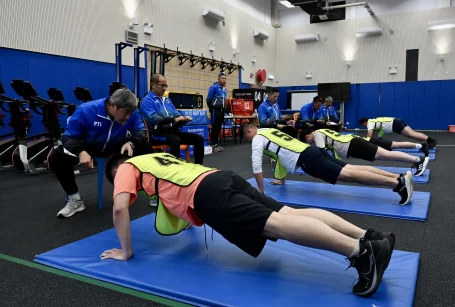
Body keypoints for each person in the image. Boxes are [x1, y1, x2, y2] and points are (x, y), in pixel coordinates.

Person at [101, 152, 394, 297]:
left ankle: (362, 252)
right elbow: (175, 189)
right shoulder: (153, 157)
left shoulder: (125, 169)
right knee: (289, 213)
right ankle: (371, 237)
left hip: (209, 194)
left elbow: (119, 210)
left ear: (115, 172)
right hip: (219, 177)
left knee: (276, 224)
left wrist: (125, 251)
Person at [239, 123, 413, 205]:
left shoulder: (258, 139)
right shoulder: (269, 131)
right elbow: (283, 156)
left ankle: (397, 184)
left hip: (307, 158)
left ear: (249, 131)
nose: (248, 142)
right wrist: (281, 180)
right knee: (350, 168)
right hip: (311, 151)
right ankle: (398, 177)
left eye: (246, 138)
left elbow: (256, 164)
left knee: (347, 175)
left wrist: (260, 191)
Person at [48, 88, 154, 218]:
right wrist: (80, 152)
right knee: (57, 156)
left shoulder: (131, 114)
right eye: (125, 113)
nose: (128, 117)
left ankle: (152, 190)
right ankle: (74, 199)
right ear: (113, 105)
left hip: (116, 145)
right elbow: (68, 137)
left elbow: (141, 131)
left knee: (146, 147)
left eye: (131, 113)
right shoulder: (85, 110)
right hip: (89, 146)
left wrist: (131, 143)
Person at [301, 129, 429, 176]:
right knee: (384, 156)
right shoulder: (322, 130)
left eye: (309, 142)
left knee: (385, 154)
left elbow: (322, 151)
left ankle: (418, 160)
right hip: (352, 144)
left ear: (307, 136)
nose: (310, 143)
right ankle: (417, 160)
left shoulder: (317, 134)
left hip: (353, 145)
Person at [140, 74, 205, 165]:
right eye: (162, 85)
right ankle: (175, 170)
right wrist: (173, 120)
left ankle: (199, 166)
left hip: (171, 131)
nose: (164, 88)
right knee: (175, 140)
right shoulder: (147, 101)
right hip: (156, 134)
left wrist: (183, 118)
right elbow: (153, 118)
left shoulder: (167, 100)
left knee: (199, 139)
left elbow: (175, 113)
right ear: (153, 85)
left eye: (165, 85)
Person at [359, 117, 438, 149]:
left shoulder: (370, 123)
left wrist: (367, 142)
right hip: (396, 121)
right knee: (413, 133)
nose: (364, 126)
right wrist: (380, 140)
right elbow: (381, 131)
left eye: (363, 125)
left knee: (412, 135)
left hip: (395, 124)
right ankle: (430, 140)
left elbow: (369, 134)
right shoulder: (375, 121)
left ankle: (431, 141)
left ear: (364, 123)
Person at [207, 72, 228, 152]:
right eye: (222, 78)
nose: (224, 80)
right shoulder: (214, 87)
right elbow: (209, 99)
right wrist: (211, 107)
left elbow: (224, 100)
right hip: (215, 109)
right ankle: (213, 145)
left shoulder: (225, 89)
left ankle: (216, 144)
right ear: (218, 79)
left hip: (222, 110)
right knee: (214, 127)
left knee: (218, 127)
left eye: (225, 79)